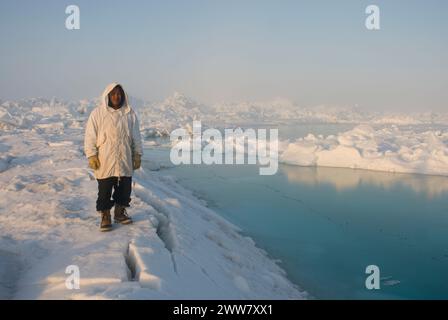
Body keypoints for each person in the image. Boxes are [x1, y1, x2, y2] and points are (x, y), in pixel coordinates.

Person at [84, 83, 143, 232]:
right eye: (113, 94)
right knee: (104, 190)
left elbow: (136, 136)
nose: (116, 96)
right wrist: (91, 155)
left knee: (124, 189)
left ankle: (119, 212)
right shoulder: (97, 113)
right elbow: (90, 136)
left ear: (123, 96)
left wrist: (137, 154)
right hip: (105, 159)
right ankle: (105, 215)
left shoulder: (130, 114)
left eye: (119, 94)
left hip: (124, 158)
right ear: (108, 96)